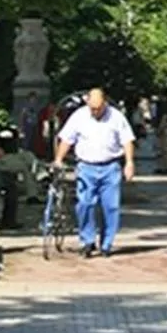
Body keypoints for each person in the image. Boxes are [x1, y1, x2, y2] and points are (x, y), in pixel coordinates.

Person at [56, 86, 137, 258]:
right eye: (92, 108)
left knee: (111, 206)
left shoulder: (116, 116)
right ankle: (87, 240)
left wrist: (129, 163)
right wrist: (58, 159)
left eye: (98, 108)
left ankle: (107, 243)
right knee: (85, 204)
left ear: (105, 103)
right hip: (86, 166)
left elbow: (127, 140)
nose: (95, 111)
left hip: (110, 166)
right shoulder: (79, 116)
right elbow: (66, 139)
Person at [0, 128, 40, 230]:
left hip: (7, 158)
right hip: (0, 162)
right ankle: (33, 193)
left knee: (29, 158)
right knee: (23, 168)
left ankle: (41, 176)